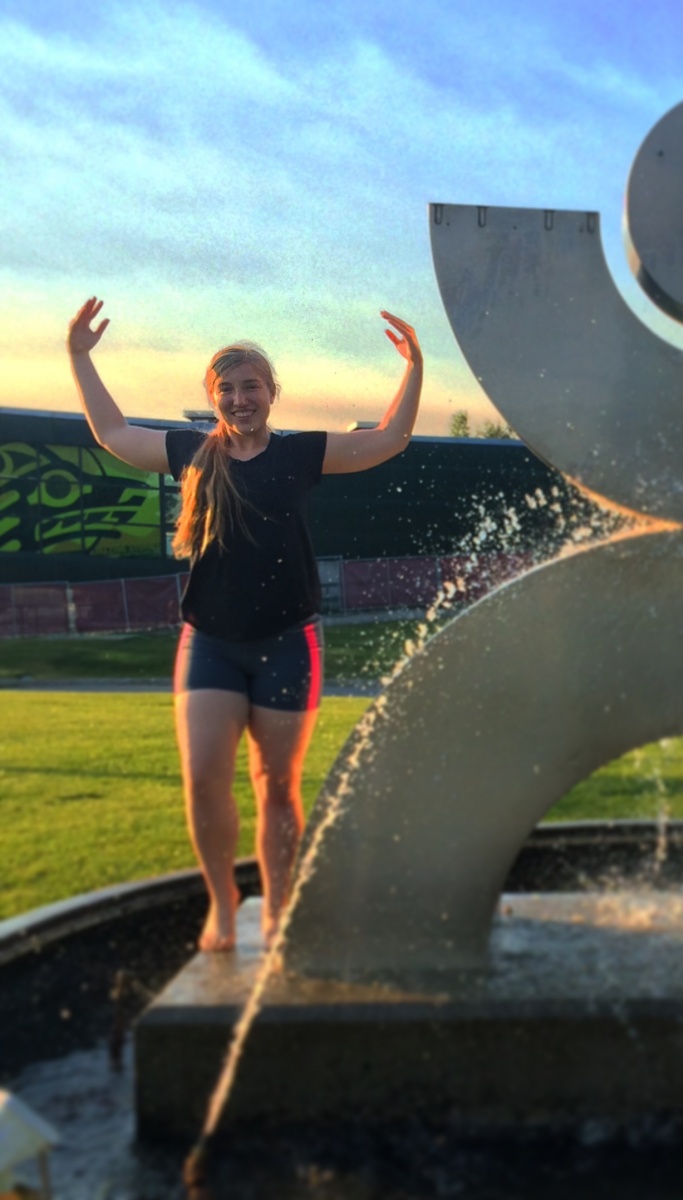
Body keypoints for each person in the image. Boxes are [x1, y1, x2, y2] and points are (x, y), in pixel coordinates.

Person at [66, 296, 423, 951]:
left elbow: (389, 440)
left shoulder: (300, 456)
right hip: (211, 643)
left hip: (289, 643)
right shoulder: (192, 453)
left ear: (271, 393)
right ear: (212, 396)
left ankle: (281, 910)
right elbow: (113, 434)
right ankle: (225, 905)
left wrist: (415, 367)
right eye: (226, 389)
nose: (239, 398)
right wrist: (79, 358)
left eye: (250, 386)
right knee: (204, 778)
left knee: (277, 787)